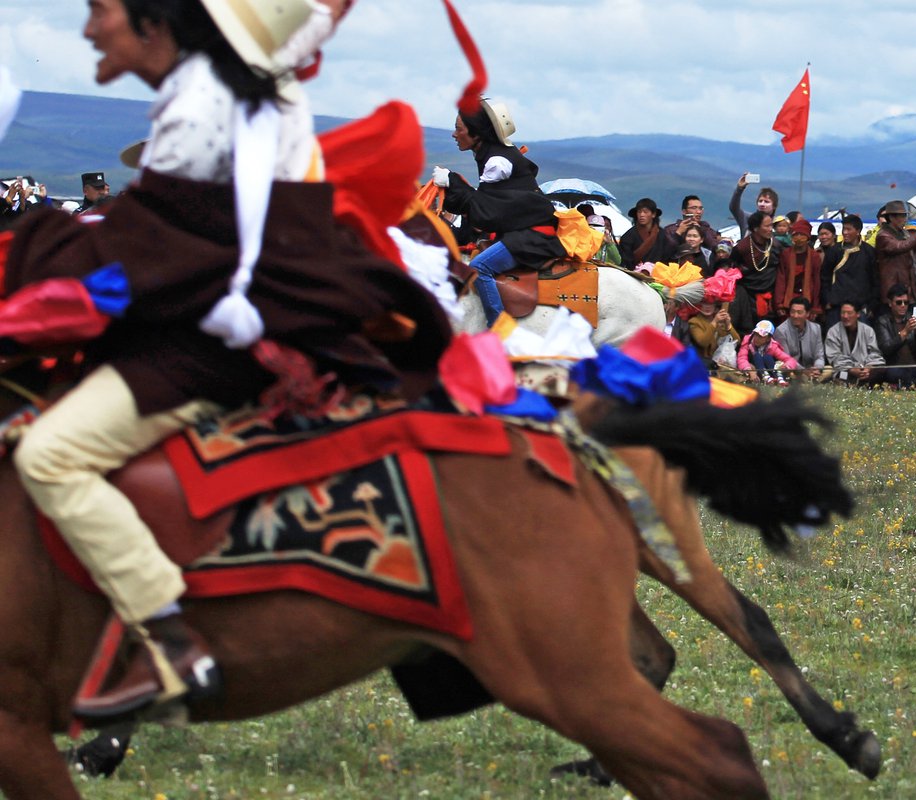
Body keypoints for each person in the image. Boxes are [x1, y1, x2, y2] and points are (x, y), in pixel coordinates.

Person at [10, 0, 451, 723]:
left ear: (153, 24)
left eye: (99, 11)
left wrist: (27, 259)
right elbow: (305, 24)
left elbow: (134, 250)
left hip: (219, 343)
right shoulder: (239, 79)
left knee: (50, 455)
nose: (87, 29)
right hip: (259, 315)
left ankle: (167, 638)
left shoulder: (200, 107)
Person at [438, 97, 566, 321]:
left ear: (476, 133)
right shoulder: (493, 155)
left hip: (532, 237)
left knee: (478, 268)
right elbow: (485, 205)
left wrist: (452, 181)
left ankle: (498, 330)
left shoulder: (498, 163)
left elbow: (485, 210)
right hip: (523, 233)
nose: (454, 134)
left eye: (458, 128)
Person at [730, 210, 781, 334]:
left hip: (770, 296)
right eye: (767, 226)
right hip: (748, 297)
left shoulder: (775, 245)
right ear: (756, 228)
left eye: (771, 226)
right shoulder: (742, 248)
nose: (771, 229)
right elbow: (732, 270)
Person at [822, 214, 879, 315]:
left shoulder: (869, 252)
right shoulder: (834, 251)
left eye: (849, 229)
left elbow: (874, 280)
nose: (845, 232)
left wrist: (871, 305)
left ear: (858, 231)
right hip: (836, 305)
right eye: (844, 229)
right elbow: (825, 277)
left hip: (861, 307)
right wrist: (827, 300)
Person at [824, 300, 885, 385]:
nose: (845, 316)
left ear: (858, 314)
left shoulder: (868, 330)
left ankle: (864, 382)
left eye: (849, 313)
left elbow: (874, 353)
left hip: (865, 369)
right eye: (843, 313)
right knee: (841, 375)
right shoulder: (833, 331)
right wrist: (852, 369)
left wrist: (868, 368)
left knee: (880, 371)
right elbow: (834, 356)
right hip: (846, 370)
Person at [773, 217, 823, 318]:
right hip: (788, 300)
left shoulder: (814, 256)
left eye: (802, 235)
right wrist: (779, 304)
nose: (799, 238)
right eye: (796, 235)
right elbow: (781, 279)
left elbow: (817, 281)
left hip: (808, 300)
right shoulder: (786, 254)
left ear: (808, 237)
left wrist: (815, 307)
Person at [773, 296, 826, 377]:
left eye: (799, 312)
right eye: (792, 312)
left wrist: (817, 369)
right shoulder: (781, 331)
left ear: (807, 313)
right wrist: (803, 371)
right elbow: (785, 358)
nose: (795, 316)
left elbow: (819, 355)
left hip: (811, 368)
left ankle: (813, 378)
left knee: (829, 370)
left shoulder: (816, 328)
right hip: (793, 369)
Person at [619, 197, 668, 267]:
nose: (642, 215)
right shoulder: (628, 237)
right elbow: (625, 261)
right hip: (633, 274)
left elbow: (667, 257)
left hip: (658, 274)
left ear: (653, 214)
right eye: (639, 212)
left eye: (645, 212)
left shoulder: (662, 235)